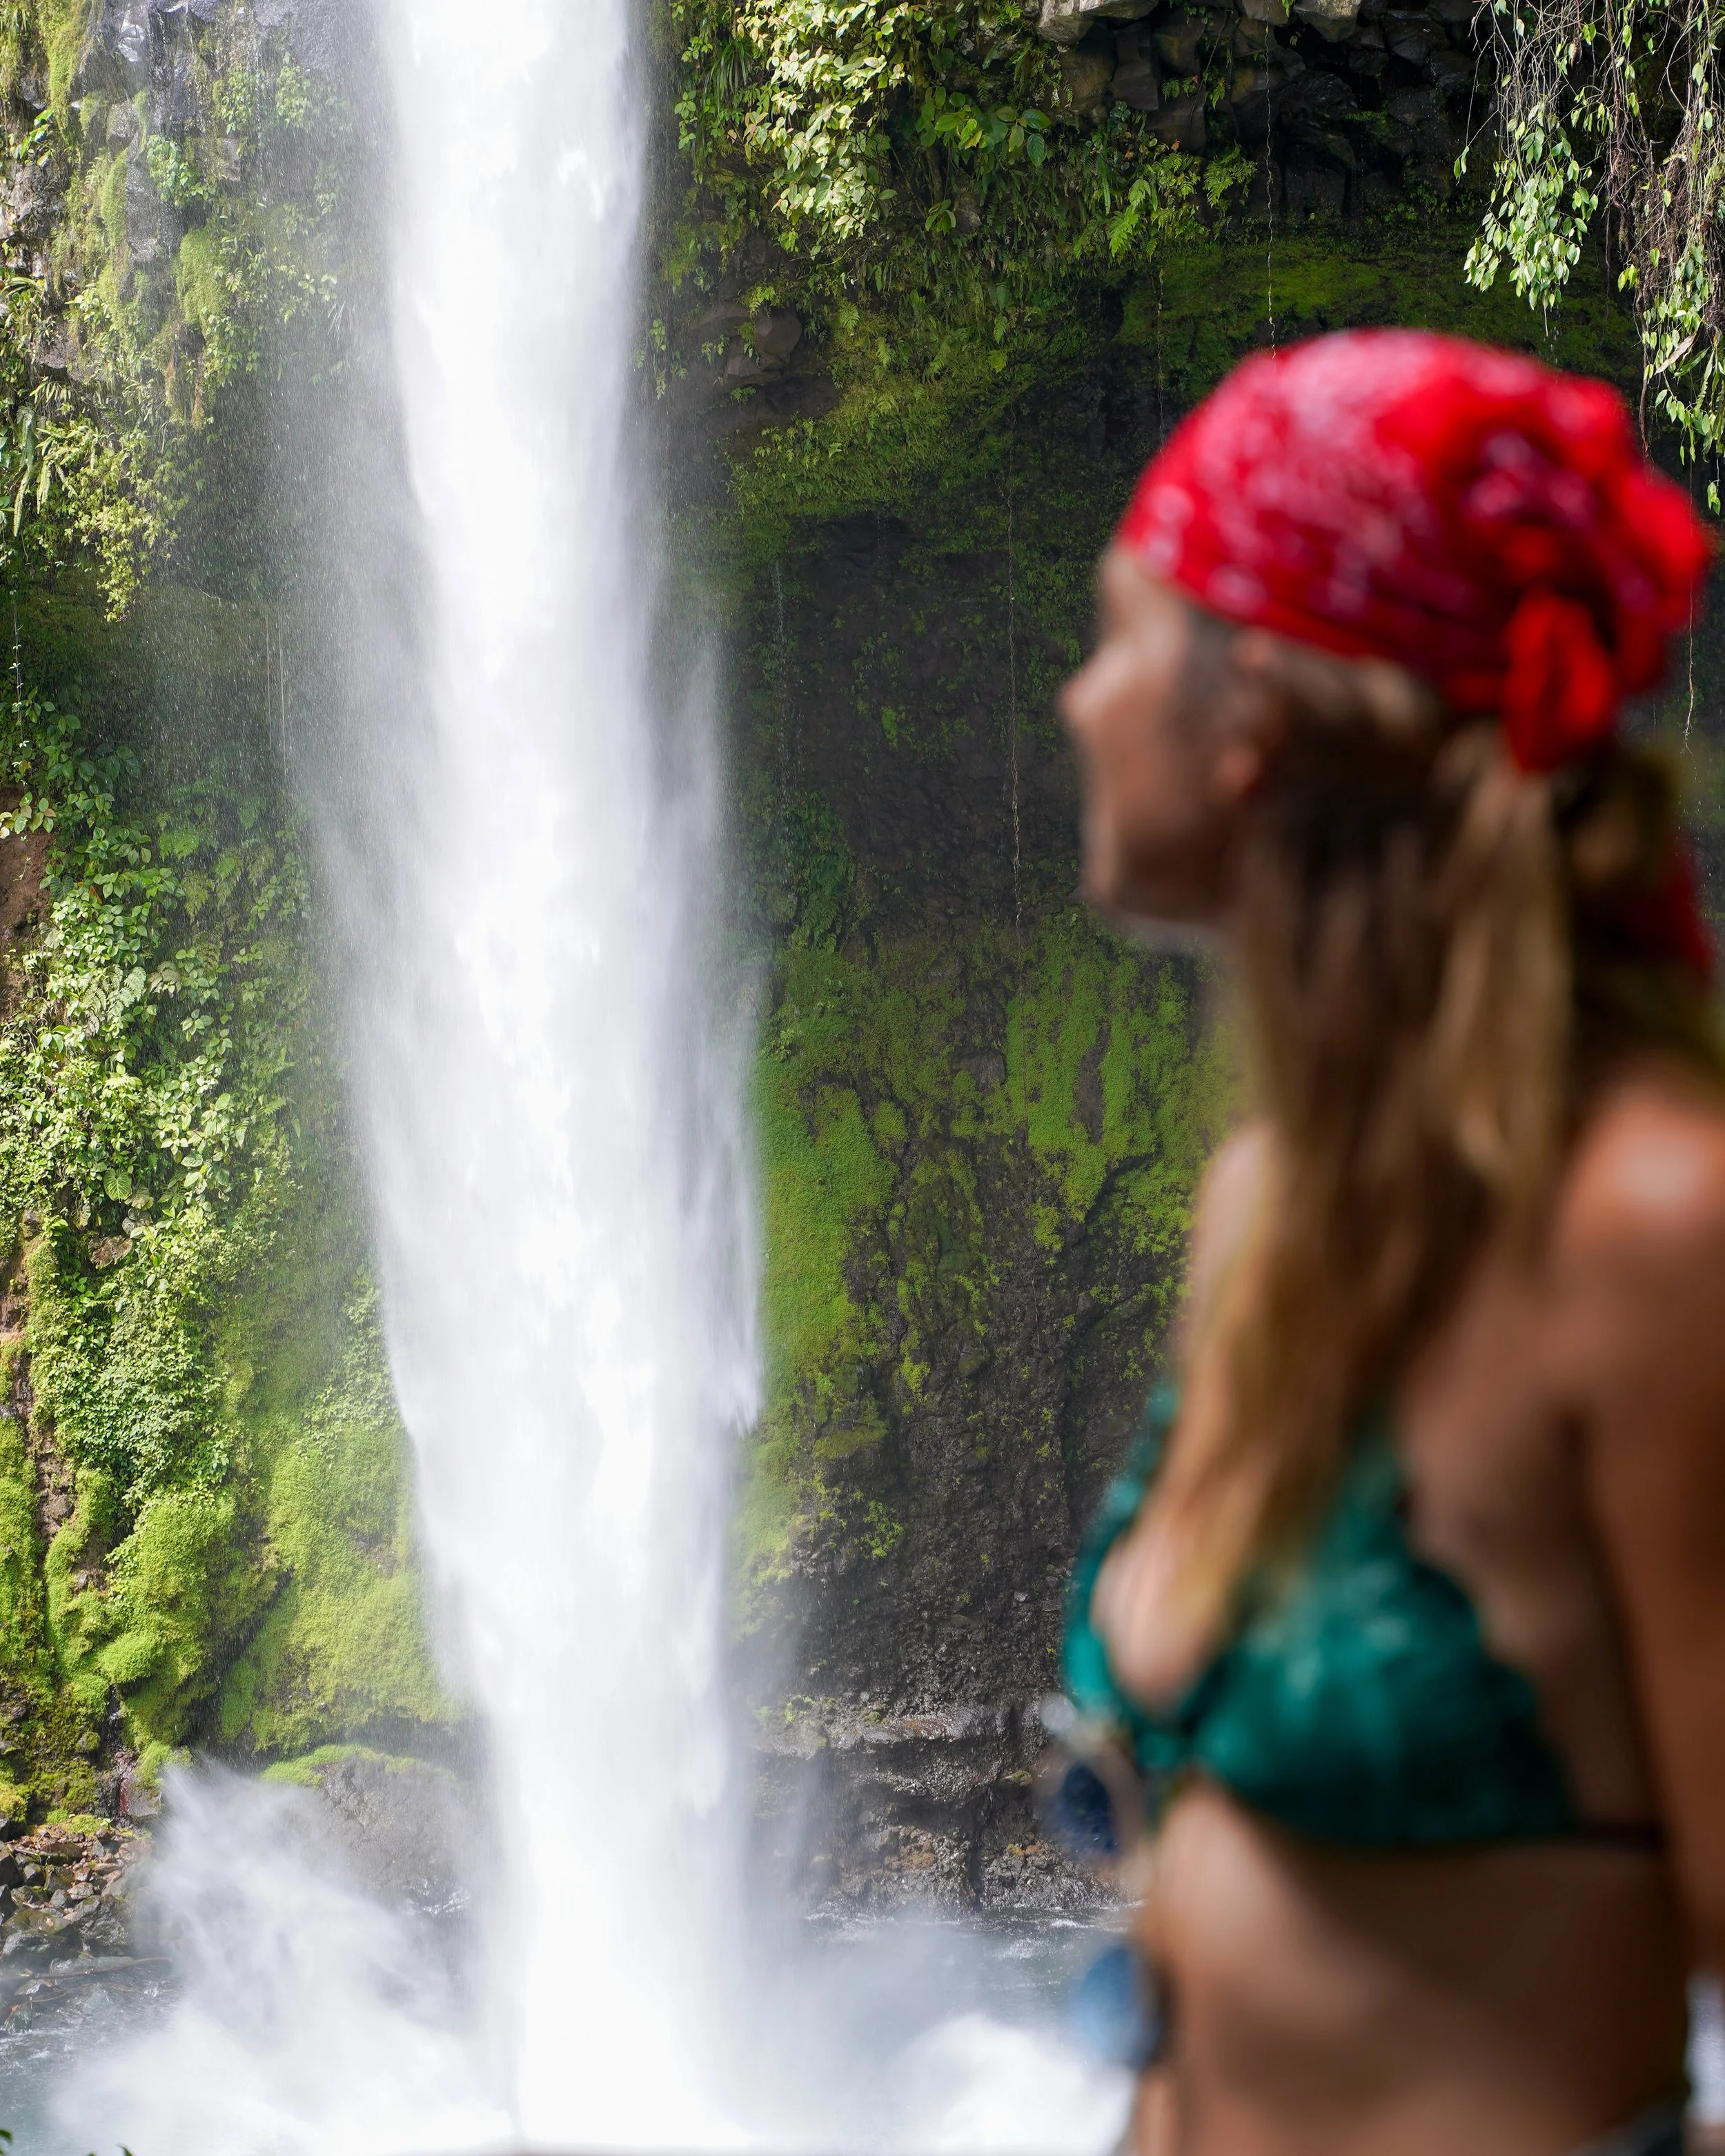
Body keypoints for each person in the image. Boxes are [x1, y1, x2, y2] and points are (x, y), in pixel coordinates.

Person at [1056, 329, 1725, 2156]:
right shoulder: (1269, 1205)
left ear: (1255, 710)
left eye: (1119, 634)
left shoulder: (1654, 1229)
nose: (1075, 700)